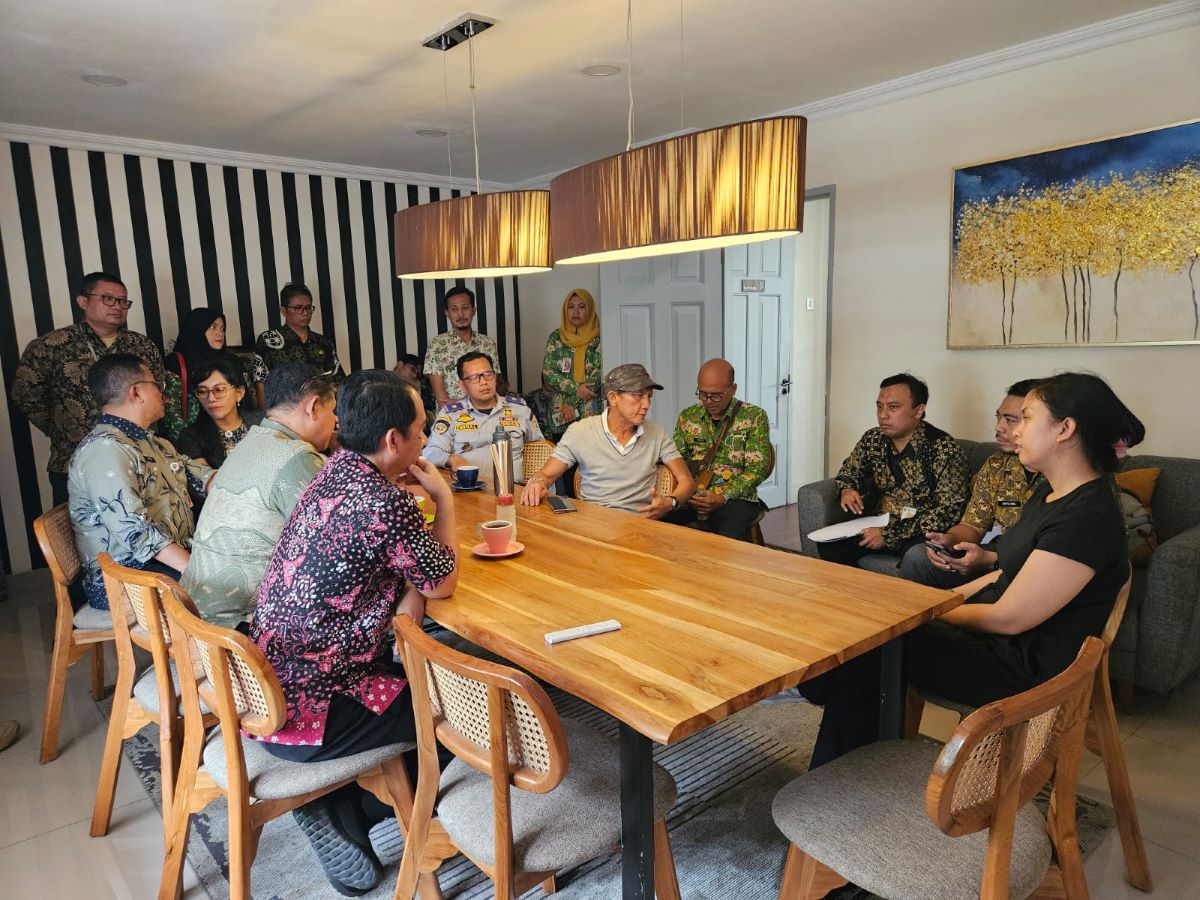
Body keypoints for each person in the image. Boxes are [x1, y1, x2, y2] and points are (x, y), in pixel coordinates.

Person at [802, 372, 1140, 768]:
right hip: (1002, 642)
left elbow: (1009, 618)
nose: (1013, 430)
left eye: (1026, 418)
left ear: (1065, 429)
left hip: (1020, 667)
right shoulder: (1052, 492)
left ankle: (840, 777)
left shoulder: (1086, 516)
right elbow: (1004, 571)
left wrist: (923, 613)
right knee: (864, 637)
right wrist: (939, 600)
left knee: (871, 649)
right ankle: (847, 746)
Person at [249, 370, 457, 894]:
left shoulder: (334, 470)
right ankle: (356, 809)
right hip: (318, 709)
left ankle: (341, 804)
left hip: (266, 689)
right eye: (421, 429)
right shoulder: (386, 505)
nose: (426, 438)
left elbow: (409, 595)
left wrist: (412, 589)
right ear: (394, 440)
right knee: (463, 718)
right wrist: (445, 500)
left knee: (425, 673)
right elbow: (441, 580)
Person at [182, 364, 337, 629]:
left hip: (196, 613)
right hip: (238, 627)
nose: (335, 422)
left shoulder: (252, 441)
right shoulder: (295, 456)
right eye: (333, 411)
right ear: (313, 407)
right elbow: (335, 544)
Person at [68, 354, 214, 611]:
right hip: (124, 575)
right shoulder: (105, 450)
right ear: (136, 392)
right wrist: (197, 570)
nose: (163, 393)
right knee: (223, 591)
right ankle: (199, 650)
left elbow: (197, 475)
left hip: (162, 560)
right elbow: (137, 533)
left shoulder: (150, 441)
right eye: (157, 385)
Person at [13, 272, 166, 506]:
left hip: (137, 457)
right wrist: (63, 426)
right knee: (81, 535)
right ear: (83, 301)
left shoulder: (141, 346)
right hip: (74, 456)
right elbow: (26, 395)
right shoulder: (51, 346)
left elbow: (158, 392)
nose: (118, 306)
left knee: (139, 526)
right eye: (108, 299)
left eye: (123, 301)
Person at [900, 379, 1044, 588]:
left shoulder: (1062, 472)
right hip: (997, 551)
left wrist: (991, 560)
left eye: (1011, 420)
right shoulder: (997, 464)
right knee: (918, 556)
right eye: (999, 417)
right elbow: (973, 525)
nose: (999, 427)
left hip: (1036, 562)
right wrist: (947, 540)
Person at [818, 373, 969, 569]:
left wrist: (889, 535)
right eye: (879, 406)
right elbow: (850, 468)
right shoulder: (874, 438)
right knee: (831, 546)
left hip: (921, 530)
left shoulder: (943, 449)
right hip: (881, 521)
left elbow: (949, 511)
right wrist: (848, 487)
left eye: (893, 407)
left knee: (918, 558)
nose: (883, 415)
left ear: (918, 411)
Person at [521, 363, 694, 517]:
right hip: (594, 525)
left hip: (640, 527)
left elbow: (686, 481)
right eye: (638, 396)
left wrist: (670, 502)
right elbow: (546, 475)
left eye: (649, 396)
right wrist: (536, 483)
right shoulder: (581, 431)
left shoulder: (657, 434)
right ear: (613, 398)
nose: (646, 404)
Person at [665, 359, 772, 541]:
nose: (708, 401)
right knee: (660, 522)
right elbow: (676, 459)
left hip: (735, 498)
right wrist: (683, 493)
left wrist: (721, 497)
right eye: (703, 394)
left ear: (733, 389)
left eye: (716, 395)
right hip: (692, 495)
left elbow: (757, 470)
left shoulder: (754, 417)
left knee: (728, 538)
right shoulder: (689, 416)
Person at [424, 352, 543, 482]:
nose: (484, 382)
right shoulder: (450, 414)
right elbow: (430, 452)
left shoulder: (520, 409)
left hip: (513, 491)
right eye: (474, 377)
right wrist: (453, 459)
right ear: (462, 385)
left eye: (488, 375)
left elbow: (542, 451)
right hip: (470, 492)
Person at [162, 308, 267, 438]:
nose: (220, 333)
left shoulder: (233, 362)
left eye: (222, 329)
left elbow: (250, 400)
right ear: (196, 330)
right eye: (213, 327)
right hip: (195, 444)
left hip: (241, 439)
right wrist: (192, 444)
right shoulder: (176, 363)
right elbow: (171, 414)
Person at [173, 353, 264, 470]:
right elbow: (203, 481)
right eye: (202, 391)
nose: (211, 398)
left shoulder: (263, 423)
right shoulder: (191, 437)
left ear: (239, 393)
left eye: (219, 389)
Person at [540, 289, 602, 440]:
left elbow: (598, 375)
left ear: (590, 309)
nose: (576, 312)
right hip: (560, 414)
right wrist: (575, 389)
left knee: (592, 455)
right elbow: (548, 373)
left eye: (581, 307)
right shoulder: (556, 337)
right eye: (571, 307)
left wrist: (571, 402)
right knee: (563, 457)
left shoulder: (600, 337)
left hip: (589, 410)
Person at [423, 286, 500, 408]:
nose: (460, 314)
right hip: (452, 415)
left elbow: (493, 385)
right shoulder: (436, 345)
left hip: (486, 411)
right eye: (454, 309)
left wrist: (463, 402)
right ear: (447, 314)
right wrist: (463, 405)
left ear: (473, 310)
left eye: (465, 308)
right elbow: (442, 399)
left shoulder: (488, 343)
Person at [255, 283, 341, 377]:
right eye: (298, 308)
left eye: (308, 308)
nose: (305, 313)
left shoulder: (324, 343)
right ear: (283, 311)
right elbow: (260, 380)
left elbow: (337, 379)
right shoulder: (269, 340)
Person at [394, 352, 436, 421]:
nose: (415, 375)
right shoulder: (384, 380)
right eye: (413, 369)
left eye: (418, 373)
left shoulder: (420, 385)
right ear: (400, 364)